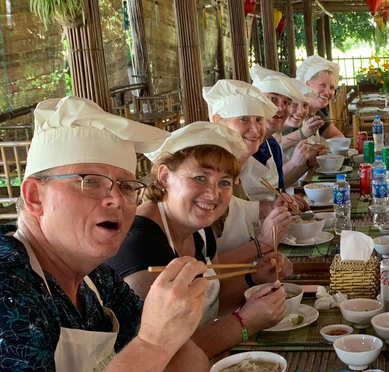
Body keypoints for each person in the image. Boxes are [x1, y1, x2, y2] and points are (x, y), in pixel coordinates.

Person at [0, 96, 209, 372]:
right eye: (90, 182)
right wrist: (152, 344)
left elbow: (188, 357)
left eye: (125, 187)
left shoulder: (95, 276)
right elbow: (160, 344)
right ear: (34, 197)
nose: (115, 200)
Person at [107, 122, 291, 359]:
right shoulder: (140, 246)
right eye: (200, 177)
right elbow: (157, 358)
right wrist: (243, 324)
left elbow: (210, 297)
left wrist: (253, 277)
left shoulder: (199, 227)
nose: (213, 194)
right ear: (164, 176)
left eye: (224, 182)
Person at [203, 80, 300, 255]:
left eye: (259, 120)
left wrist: (271, 207)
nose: (255, 130)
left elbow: (236, 208)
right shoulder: (213, 176)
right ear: (217, 120)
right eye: (244, 119)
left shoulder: (233, 169)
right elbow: (207, 264)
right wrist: (262, 243)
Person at [250, 65, 322, 188]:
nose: (280, 108)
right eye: (272, 99)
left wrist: (309, 162)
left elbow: (276, 186)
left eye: (287, 103)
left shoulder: (272, 143)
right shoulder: (244, 145)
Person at [296, 55, 345, 139]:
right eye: (322, 85)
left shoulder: (315, 113)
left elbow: (339, 137)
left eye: (332, 88)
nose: (328, 92)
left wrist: (321, 146)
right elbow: (279, 143)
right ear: (307, 84)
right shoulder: (295, 112)